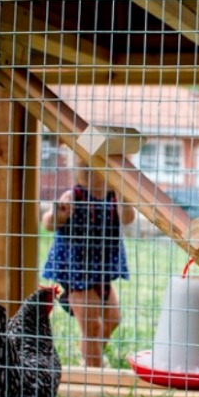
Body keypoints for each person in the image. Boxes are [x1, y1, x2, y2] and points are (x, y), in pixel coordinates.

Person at [42, 156, 136, 367]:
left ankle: (88, 349)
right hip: (77, 270)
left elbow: (128, 218)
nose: (97, 180)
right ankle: (94, 369)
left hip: (101, 270)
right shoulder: (73, 196)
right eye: (90, 172)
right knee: (90, 325)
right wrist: (58, 214)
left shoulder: (115, 196)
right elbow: (49, 223)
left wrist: (124, 196)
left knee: (113, 318)